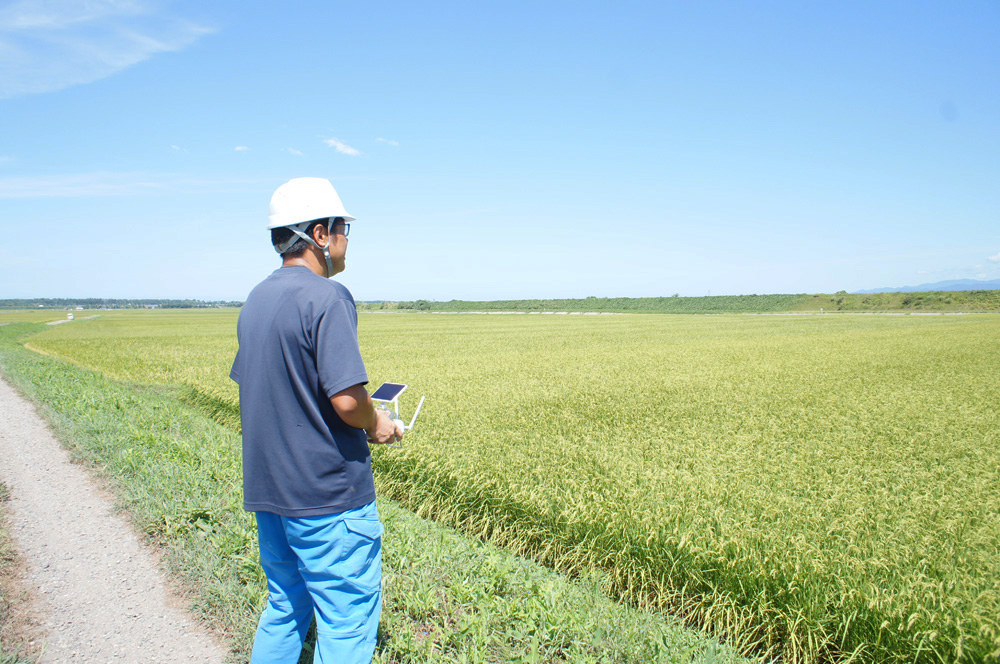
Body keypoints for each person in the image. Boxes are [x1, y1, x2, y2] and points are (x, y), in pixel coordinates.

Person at [230, 177, 403, 663]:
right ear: (320, 235)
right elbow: (349, 402)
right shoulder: (328, 297)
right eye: (343, 227)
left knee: (285, 604)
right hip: (328, 499)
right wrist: (379, 424)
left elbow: (259, 387)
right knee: (347, 620)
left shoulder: (256, 300)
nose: (347, 238)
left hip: (270, 493)